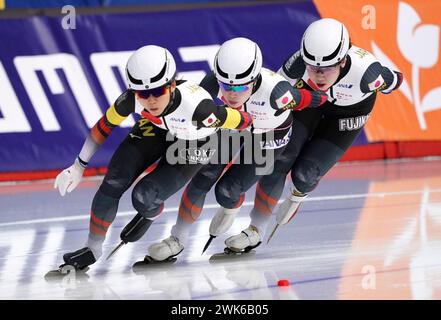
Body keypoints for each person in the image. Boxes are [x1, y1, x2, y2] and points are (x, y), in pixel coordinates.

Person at [49, 45, 254, 274]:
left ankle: (150, 212)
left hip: (195, 140)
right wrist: (78, 166)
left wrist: (246, 124)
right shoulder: (131, 100)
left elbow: (243, 120)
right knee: (114, 179)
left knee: (144, 197)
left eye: (158, 91)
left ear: (172, 85)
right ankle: (92, 249)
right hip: (157, 127)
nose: (151, 100)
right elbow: (103, 127)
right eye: (143, 94)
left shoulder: (200, 110)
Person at [142, 37, 327, 262]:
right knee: (204, 174)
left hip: (267, 133)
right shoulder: (210, 84)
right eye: (226, 86)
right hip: (231, 123)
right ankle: (177, 238)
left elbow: (310, 99)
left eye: (240, 86)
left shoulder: (277, 93)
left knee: (228, 191)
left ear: (255, 78)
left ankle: (255, 229)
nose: (232, 94)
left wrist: (325, 97)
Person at [226, 18, 404, 249]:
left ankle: (298, 194)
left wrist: (387, 80)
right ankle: (256, 229)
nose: (319, 75)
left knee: (305, 174)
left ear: (342, 61)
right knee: (279, 159)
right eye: (312, 68)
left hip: (348, 114)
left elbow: (397, 79)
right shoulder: (297, 64)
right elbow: (272, 92)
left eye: (326, 69)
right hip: (309, 102)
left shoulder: (366, 72)